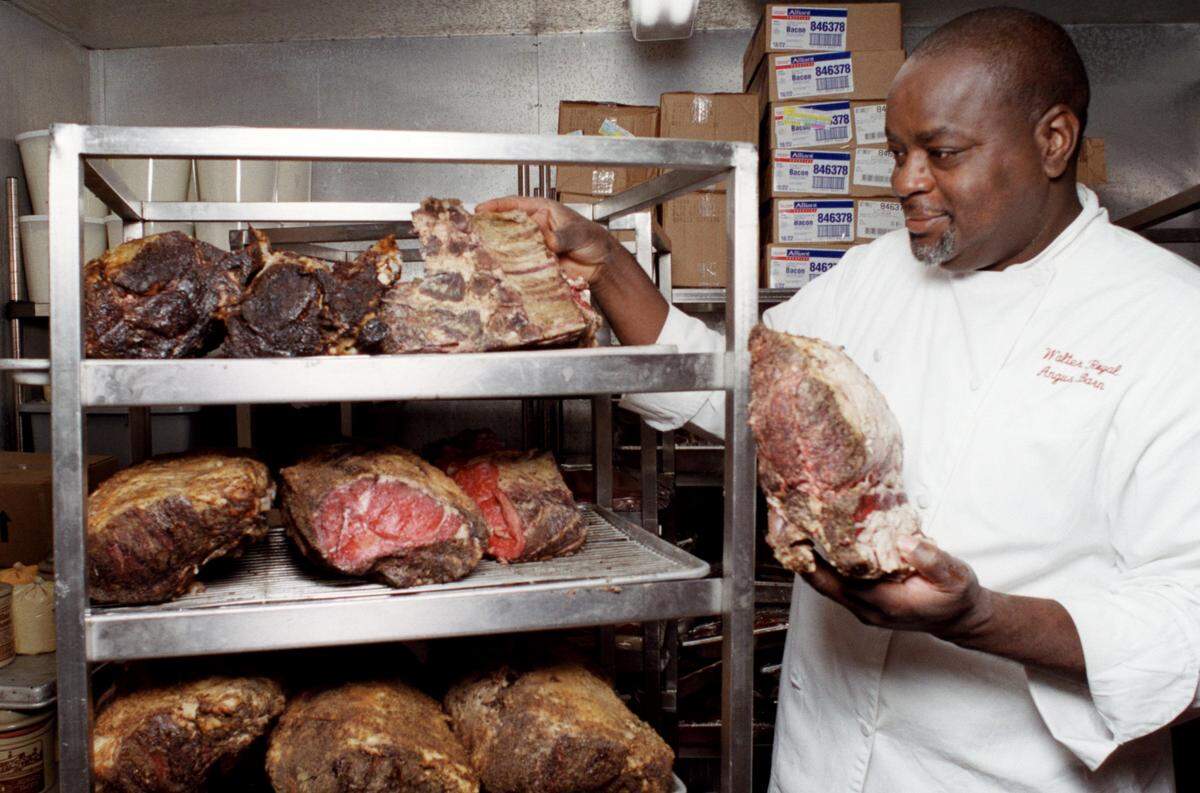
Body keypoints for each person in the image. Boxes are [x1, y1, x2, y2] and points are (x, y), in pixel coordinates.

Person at [479, 7, 1200, 791]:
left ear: (1053, 142)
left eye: (941, 153)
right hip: (819, 761)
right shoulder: (878, 272)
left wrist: (978, 615)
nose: (905, 182)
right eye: (896, 153)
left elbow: (1187, 626)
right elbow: (738, 393)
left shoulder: (1168, 320)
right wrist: (608, 258)